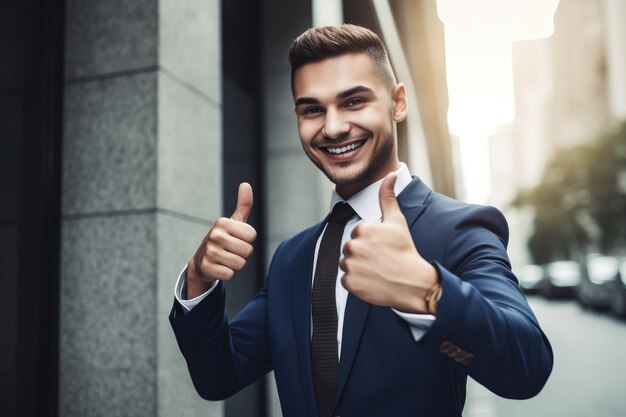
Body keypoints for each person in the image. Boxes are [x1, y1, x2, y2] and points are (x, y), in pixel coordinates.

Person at [170, 24, 553, 417]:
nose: (333, 127)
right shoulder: (291, 257)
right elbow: (218, 377)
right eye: (313, 110)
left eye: (353, 102)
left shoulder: (460, 228)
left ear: (398, 102)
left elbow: (527, 369)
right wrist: (199, 281)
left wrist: (427, 292)